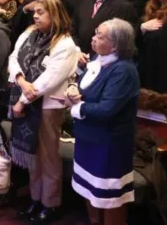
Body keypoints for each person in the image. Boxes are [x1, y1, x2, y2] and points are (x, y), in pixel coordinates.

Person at [9, 0, 78, 223]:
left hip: (47, 107)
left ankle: (50, 203)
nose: (36, 16)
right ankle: (34, 197)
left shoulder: (65, 44)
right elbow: (13, 58)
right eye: (35, 12)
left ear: (55, 15)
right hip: (25, 97)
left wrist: (22, 100)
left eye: (41, 13)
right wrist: (20, 80)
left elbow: (49, 80)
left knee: (48, 158)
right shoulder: (29, 33)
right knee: (32, 155)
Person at [66, 19, 140, 225]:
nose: (93, 38)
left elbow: (107, 109)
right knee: (90, 192)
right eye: (95, 33)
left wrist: (77, 108)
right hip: (88, 139)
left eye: (100, 35)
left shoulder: (123, 71)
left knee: (109, 199)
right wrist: (73, 88)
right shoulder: (98, 61)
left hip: (108, 145)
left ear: (115, 45)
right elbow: (84, 89)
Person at [71, 0, 138, 56]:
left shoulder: (123, 7)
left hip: (103, 61)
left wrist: (90, 56)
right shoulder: (86, 0)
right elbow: (73, 28)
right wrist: (77, 51)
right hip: (78, 56)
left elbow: (118, 41)